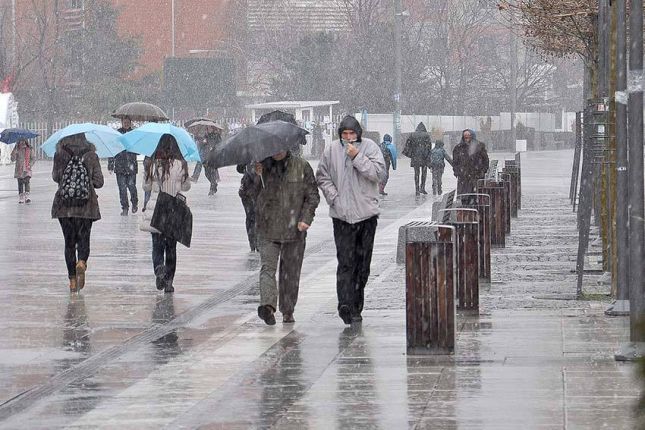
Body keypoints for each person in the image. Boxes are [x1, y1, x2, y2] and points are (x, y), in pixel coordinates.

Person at [316, 115, 386, 325]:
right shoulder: (331, 150)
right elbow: (322, 176)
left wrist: (357, 157)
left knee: (362, 265)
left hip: (366, 215)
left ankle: (356, 305)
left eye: (352, 134)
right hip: (342, 216)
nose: (348, 138)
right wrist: (334, 198)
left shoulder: (370, 148)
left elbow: (378, 174)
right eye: (344, 134)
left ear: (358, 134)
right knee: (345, 262)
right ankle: (345, 304)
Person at [250, 149, 320, 325]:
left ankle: (287, 310)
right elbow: (248, 194)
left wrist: (306, 219)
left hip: (294, 230)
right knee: (267, 268)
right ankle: (267, 307)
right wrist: (256, 176)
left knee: (290, 272)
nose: (277, 151)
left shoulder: (301, 166)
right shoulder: (259, 166)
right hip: (267, 228)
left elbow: (312, 196)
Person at [51, 133, 104, 292]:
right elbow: (99, 181)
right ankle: (81, 262)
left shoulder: (60, 154)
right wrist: (86, 181)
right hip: (86, 206)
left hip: (65, 206)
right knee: (84, 238)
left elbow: (56, 177)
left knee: (69, 243)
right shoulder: (91, 154)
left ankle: (72, 280)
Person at [140, 135, 191, 293]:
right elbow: (186, 187)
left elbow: (146, 187)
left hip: (156, 209)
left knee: (157, 245)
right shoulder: (180, 164)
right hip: (173, 209)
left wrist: (148, 174)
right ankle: (169, 281)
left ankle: (159, 269)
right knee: (171, 248)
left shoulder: (153, 164)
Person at [108, 117, 139, 216]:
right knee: (122, 189)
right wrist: (110, 164)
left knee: (132, 186)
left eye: (127, 122)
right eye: (124, 122)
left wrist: (132, 147)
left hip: (131, 165)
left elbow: (138, 150)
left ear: (130, 123)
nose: (126, 124)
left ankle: (134, 202)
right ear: (122, 123)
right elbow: (112, 150)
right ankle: (125, 207)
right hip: (120, 166)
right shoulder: (117, 134)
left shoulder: (134, 134)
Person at [452, 129, 489, 204]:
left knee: (476, 199)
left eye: (468, 135)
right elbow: (455, 163)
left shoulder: (479, 146)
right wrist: (457, 172)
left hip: (476, 177)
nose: (467, 137)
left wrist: (482, 171)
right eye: (465, 136)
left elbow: (485, 160)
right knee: (464, 199)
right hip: (464, 179)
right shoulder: (458, 148)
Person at [403, 122, 432, 195]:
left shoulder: (412, 135)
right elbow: (429, 147)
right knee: (424, 173)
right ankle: (422, 188)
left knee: (416, 173)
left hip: (415, 157)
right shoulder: (426, 135)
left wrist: (410, 155)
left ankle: (417, 189)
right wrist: (428, 156)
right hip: (424, 157)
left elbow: (407, 146)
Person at [237, 163, 258, 252]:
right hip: (248, 191)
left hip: (257, 190)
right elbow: (239, 168)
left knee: (254, 217)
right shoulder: (247, 157)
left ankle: (255, 241)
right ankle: (253, 241)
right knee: (252, 217)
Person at [11, 139, 35, 204]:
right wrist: (14, 152)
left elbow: (33, 158)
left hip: (27, 168)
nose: (22, 142)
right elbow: (12, 159)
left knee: (27, 182)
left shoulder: (29, 148)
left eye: (23, 141)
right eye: (21, 141)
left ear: (26, 141)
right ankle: (21, 197)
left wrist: (30, 165)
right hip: (19, 169)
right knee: (20, 183)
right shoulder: (17, 148)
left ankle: (27, 197)